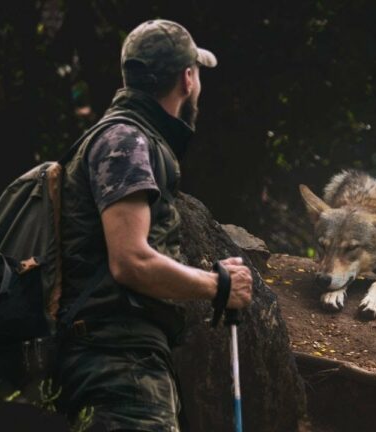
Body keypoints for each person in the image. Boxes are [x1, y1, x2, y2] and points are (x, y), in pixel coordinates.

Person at [56, 19, 253, 431]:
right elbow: (130, 262)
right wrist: (218, 285)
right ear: (187, 79)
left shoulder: (130, 137)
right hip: (119, 367)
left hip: (124, 361)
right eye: (197, 73)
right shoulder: (126, 141)